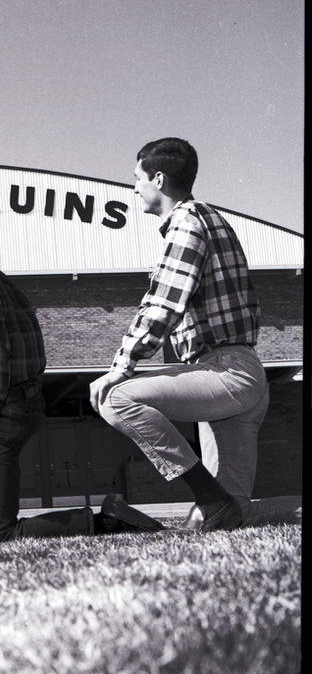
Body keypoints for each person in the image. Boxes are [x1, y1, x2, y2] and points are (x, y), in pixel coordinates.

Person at [89, 137, 301, 531]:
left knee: (115, 398)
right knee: (230, 517)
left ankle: (209, 497)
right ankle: (218, 503)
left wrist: (121, 367)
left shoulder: (186, 223)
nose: (134, 188)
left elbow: (163, 305)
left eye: (137, 178)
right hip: (241, 374)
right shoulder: (211, 218)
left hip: (225, 373)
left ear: (158, 179)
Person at [0, 206, 165, 542]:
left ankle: (106, 521)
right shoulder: (0, 280)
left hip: (7, 411)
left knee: (0, 536)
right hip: (25, 402)